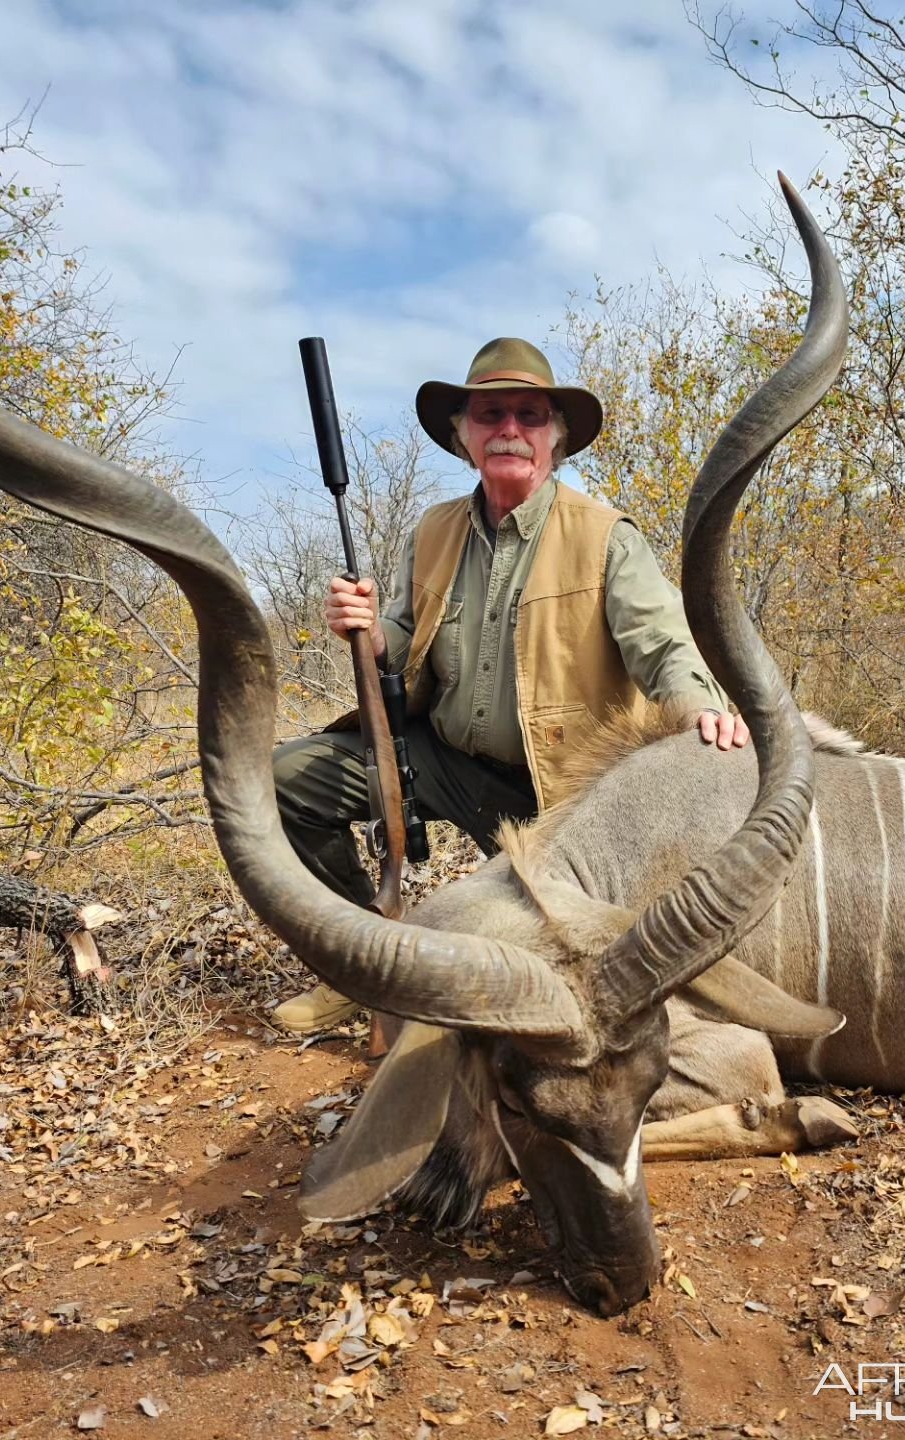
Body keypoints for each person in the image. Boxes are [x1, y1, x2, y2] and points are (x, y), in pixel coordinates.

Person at [270, 337, 748, 1033]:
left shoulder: (605, 537)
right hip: (443, 761)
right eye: (490, 416)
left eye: (529, 416)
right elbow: (404, 646)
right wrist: (371, 633)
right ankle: (360, 964)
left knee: (561, 972)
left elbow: (664, 644)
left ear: (556, 439)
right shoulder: (434, 530)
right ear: (464, 437)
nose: (510, 431)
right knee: (286, 779)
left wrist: (704, 708)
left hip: (563, 792)